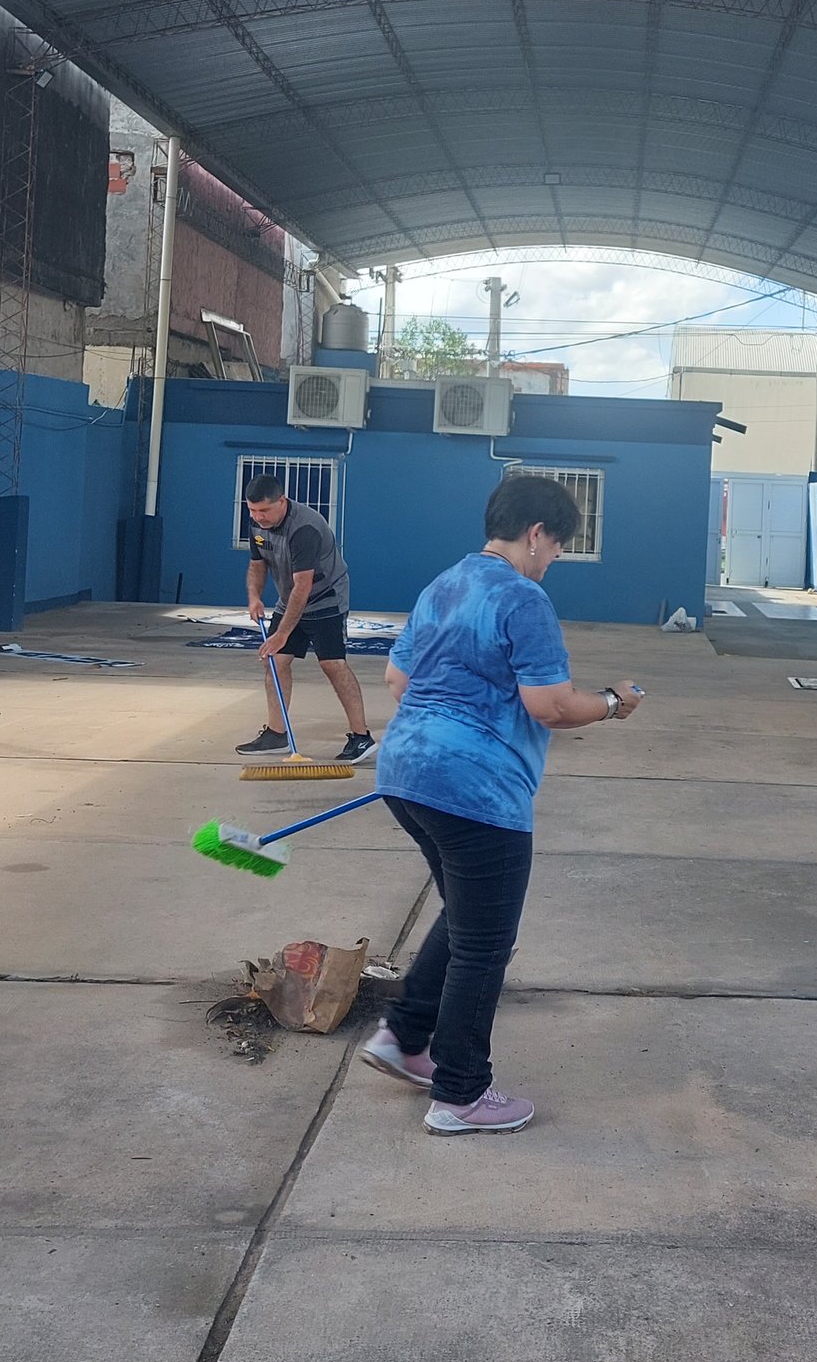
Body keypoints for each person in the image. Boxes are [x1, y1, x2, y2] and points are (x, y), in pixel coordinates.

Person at [358, 473, 644, 1134]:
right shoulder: (523, 598)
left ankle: (404, 1037)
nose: (555, 559)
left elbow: (397, 679)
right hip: (477, 793)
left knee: (466, 917)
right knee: (486, 945)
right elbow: (552, 706)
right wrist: (612, 702)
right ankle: (461, 1094)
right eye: (558, 546)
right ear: (536, 533)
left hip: (406, 773)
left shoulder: (445, 584)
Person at [236, 475, 374, 764]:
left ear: (282, 502)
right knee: (275, 661)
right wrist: (254, 597)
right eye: (253, 510)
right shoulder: (258, 524)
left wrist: (282, 633)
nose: (258, 517)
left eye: (264, 510)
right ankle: (276, 734)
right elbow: (257, 564)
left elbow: (304, 586)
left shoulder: (304, 528)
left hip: (326, 598)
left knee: (332, 664)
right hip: (290, 599)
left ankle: (361, 737)